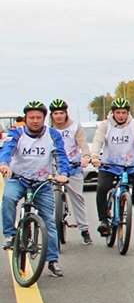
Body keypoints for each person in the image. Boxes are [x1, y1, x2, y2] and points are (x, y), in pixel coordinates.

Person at [0, 101, 70, 276]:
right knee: (8, 198)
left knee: (49, 221)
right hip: (19, 179)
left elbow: (61, 156)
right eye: (31, 117)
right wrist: (4, 163)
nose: (35, 121)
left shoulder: (53, 135)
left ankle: (52, 260)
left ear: (44, 119)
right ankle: (10, 235)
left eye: (39, 117)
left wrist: (63, 173)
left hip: (42, 183)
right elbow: (6, 150)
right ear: (26, 118)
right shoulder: (16, 133)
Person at [91, 97, 134, 246]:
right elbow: (98, 140)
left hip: (130, 166)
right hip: (109, 165)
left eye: (124, 112)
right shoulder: (106, 125)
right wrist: (94, 156)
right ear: (113, 113)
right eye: (118, 112)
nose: (121, 116)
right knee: (102, 188)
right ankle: (104, 220)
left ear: (127, 113)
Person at [47, 98, 94, 244]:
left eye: (61, 113)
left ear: (66, 113)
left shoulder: (75, 127)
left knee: (77, 198)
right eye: (55, 113)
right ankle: (48, 230)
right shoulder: (46, 129)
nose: (59, 116)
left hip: (72, 166)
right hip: (53, 168)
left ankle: (84, 230)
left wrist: (86, 157)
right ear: (51, 115)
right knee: (46, 200)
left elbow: (83, 144)